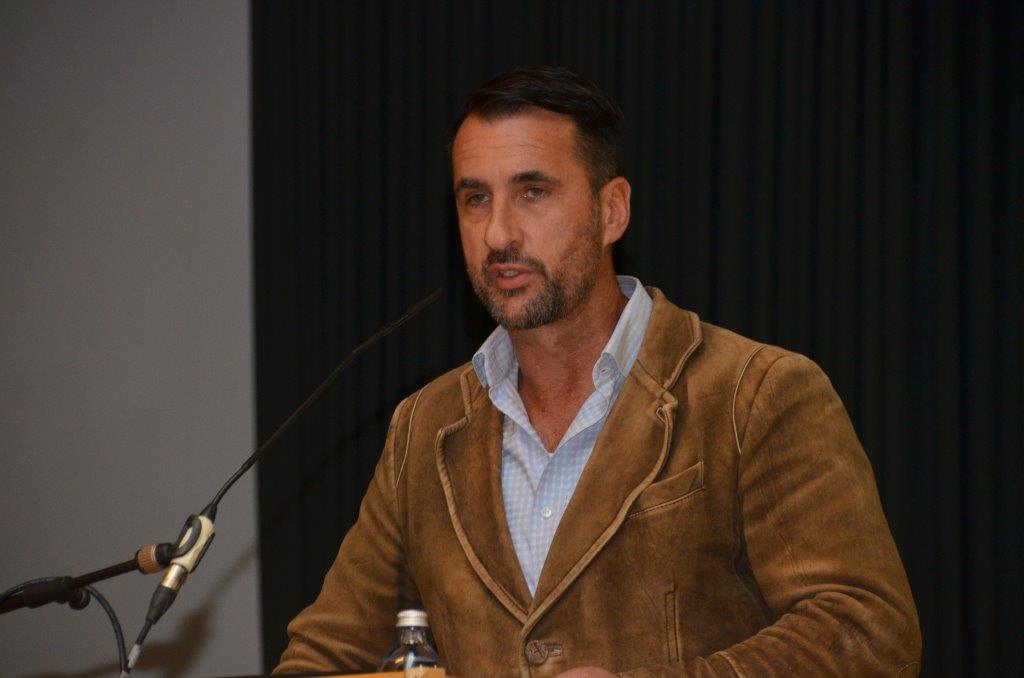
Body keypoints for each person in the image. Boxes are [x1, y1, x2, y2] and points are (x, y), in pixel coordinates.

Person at [274, 66, 921, 677]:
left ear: (612, 210)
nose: (497, 234)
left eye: (532, 192)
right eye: (475, 199)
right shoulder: (424, 429)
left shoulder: (754, 392)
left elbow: (867, 632)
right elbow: (323, 660)